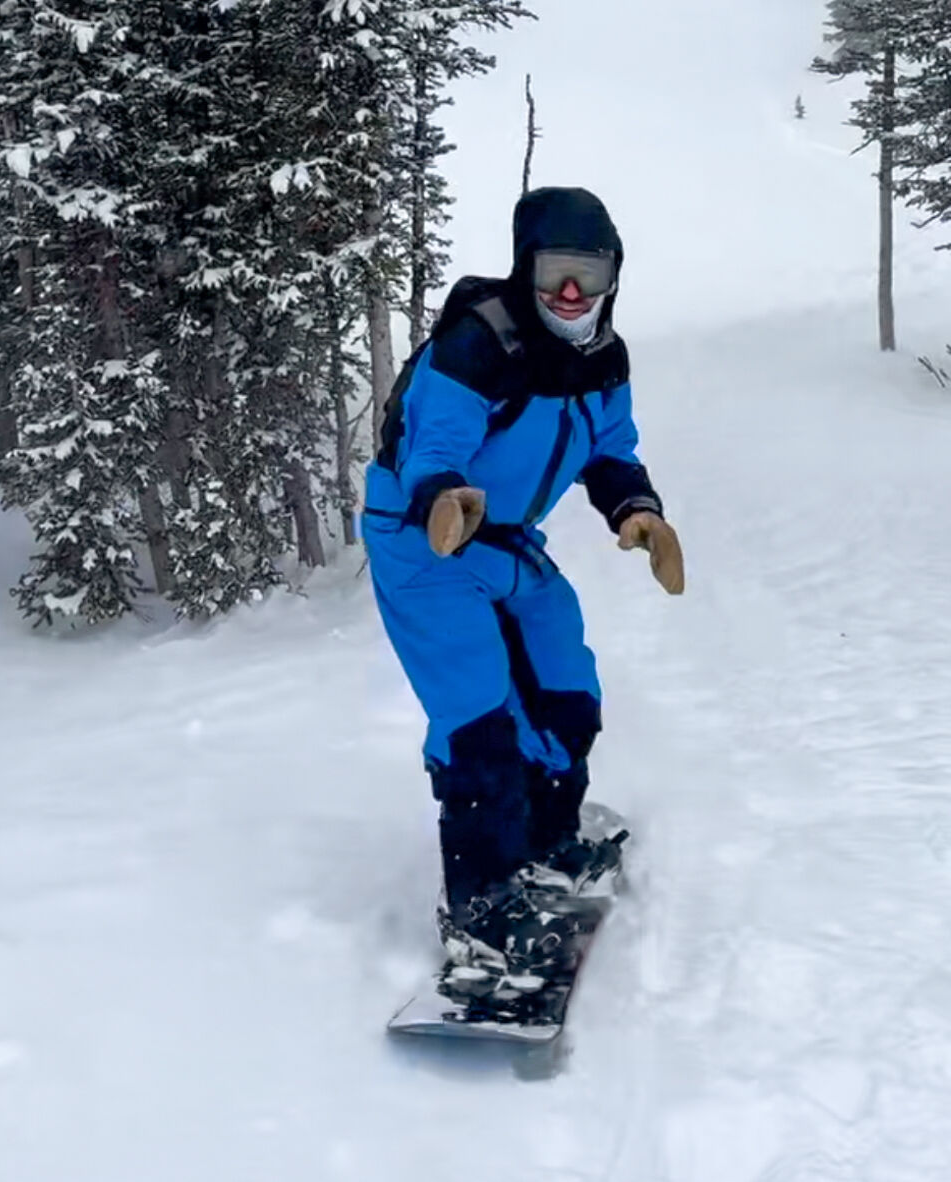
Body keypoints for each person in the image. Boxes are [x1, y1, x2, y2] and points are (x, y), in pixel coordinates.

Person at [362, 186, 685, 1003]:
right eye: (554, 274)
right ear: (524, 269)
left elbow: (612, 450)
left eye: (588, 274)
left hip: (505, 543)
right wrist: (442, 494)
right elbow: (436, 443)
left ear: (614, 275)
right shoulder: (480, 346)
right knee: (478, 716)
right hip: (423, 537)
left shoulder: (604, 358)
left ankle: (545, 837)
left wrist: (637, 511)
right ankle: (484, 916)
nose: (571, 295)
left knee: (565, 686)